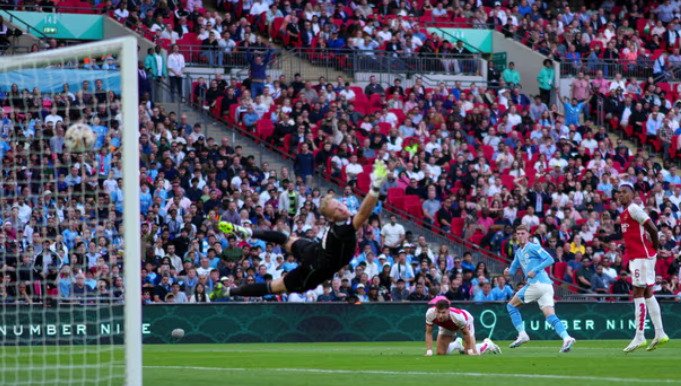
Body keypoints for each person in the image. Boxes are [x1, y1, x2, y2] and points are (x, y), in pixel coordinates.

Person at [218, 160, 387, 297]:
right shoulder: (343, 229)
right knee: (276, 286)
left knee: (285, 239)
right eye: (337, 208)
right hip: (315, 268)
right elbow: (364, 213)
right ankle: (228, 291)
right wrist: (376, 187)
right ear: (331, 217)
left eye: (340, 204)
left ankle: (248, 232)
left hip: (315, 249)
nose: (342, 208)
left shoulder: (339, 223)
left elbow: (360, 214)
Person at [504, 225, 576, 353]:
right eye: (518, 234)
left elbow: (550, 259)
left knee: (511, 306)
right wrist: (507, 273)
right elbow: (513, 271)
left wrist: (535, 270)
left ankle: (522, 334)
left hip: (538, 284)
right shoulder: (518, 252)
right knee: (550, 316)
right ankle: (566, 338)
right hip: (546, 287)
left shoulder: (533, 247)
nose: (520, 236)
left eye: (522, 233)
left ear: (528, 235)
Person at [617, 182, 669, 352]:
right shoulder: (624, 213)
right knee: (647, 293)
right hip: (639, 257)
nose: (621, 195)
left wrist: (655, 247)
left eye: (624, 192)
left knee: (637, 293)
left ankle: (640, 336)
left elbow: (653, 228)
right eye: (619, 193)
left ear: (632, 195)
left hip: (642, 257)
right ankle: (660, 333)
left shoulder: (633, 209)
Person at [424, 297, 501, 356]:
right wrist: (429, 350)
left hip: (465, 323)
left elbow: (465, 333)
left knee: (472, 352)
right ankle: (457, 344)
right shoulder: (430, 314)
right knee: (440, 353)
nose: (440, 316)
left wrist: (470, 349)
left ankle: (487, 344)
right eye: (438, 312)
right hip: (446, 327)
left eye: (443, 312)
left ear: (448, 311)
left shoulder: (458, 317)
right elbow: (428, 333)